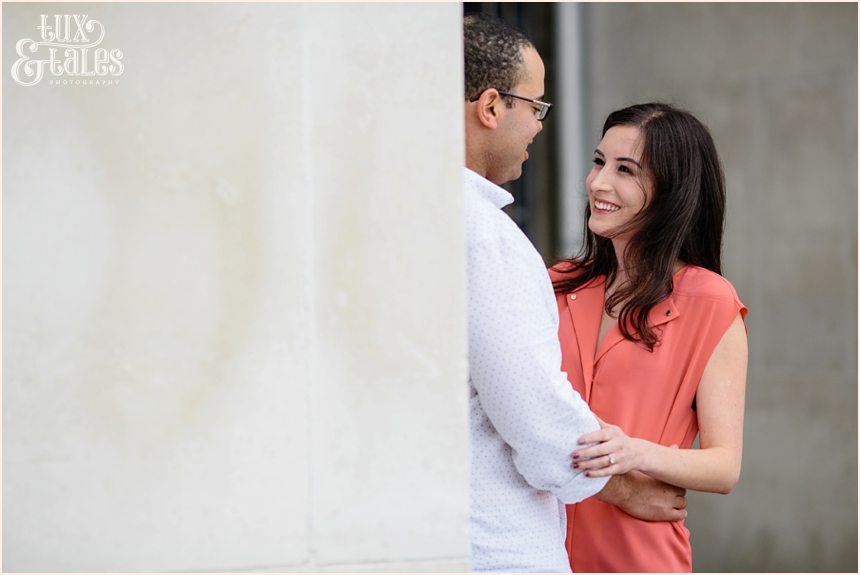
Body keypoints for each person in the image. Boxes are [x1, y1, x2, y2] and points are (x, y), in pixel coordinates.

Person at [463, 16, 687, 572]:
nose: (539, 126)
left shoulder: (382, 220)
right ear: (492, 107)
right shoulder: (486, 240)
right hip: (493, 547)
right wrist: (625, 488)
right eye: (534, 107)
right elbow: (535, 415)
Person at [550, 102, 749, 572]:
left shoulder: (711, 302)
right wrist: (616, 484)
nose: (599, 183)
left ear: (671, 191)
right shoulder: (556, 283)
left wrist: (635, 452)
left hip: (639, 558)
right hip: (536, 550)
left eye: (626, 170)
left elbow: (724, 466)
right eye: (599, 162)